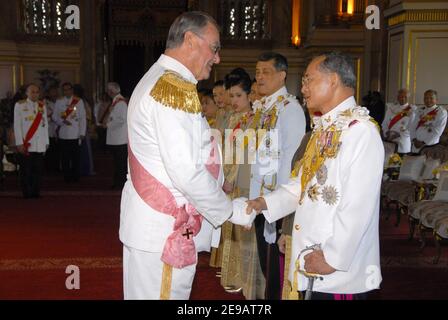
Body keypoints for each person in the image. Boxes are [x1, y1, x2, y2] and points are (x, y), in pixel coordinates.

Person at [119, 11, 254, 300]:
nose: (217, 58)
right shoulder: (172, 88)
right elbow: (186, 171)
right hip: (166, 231)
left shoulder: (163, 81)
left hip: (156, 227)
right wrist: (229, 210)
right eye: (215, 48)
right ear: (191, 40)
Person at [246, 52, 384, 300]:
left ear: (332, 80)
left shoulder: (360, 131)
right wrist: (264, 203)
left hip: (337, 270)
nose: (303, 87)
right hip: (312, 257)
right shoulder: (324, 129)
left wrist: (332, 257)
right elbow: (300, 184)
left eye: (308, 80)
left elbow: (358, 206)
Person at [250, 52, 306, 299]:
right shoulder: (265, 106)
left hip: (276, 200)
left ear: (282, 75)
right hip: (261, 195)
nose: (260, 77)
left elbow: (291, 160)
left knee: (276, 267)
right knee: (266, 261)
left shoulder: (289, 109)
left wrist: (281, 206)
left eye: (266, 72)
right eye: (258, 72)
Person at [13, 84, 49, 198]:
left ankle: (35, 192)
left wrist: (46, 141)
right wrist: (19, 143)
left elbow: (45, 125)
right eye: (32, 92)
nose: (35, 94)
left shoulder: (42, 105)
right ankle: (27, 192)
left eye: (37, 92)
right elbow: (17, 126)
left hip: (39, 143)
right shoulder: (20, 105)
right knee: (26, 170)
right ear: (27, 93)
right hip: (27, 143)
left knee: (38, 170)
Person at [52, 82, 86, 183]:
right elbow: (54, 116)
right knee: (65, 158)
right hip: (63, 133)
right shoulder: (59, 101)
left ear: (72, 90)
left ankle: (76, 177)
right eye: (65, 90)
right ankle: (66, 177)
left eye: (68, 89)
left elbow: (82, 118)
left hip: (75, 133)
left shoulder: (78, 101)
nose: (67, 91)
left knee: (76, 158)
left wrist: (82, 133)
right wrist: (62, 121)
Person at [104, 82, 128, 190]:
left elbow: (121, 120)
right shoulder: (116, 102)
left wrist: (107, 124)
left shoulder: (120, 103)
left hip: (120, 139)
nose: (107, 93)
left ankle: (121, 183)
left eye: (108, 90)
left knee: (120, 163)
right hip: (116, 138)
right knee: (117, 162)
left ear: (111, 91)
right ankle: (118, 182)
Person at [382, 89, 416, 154]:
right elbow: (384, 123)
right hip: (390, 140)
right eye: (401, 96)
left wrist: (398, 135)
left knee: (402, 162)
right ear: (397, 97)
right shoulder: (391, 108)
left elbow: (412, 128)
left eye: (405, 97)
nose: (403, 99)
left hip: (403, 141)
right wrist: (386, 133)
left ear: (408, 98)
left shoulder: (412, 110)